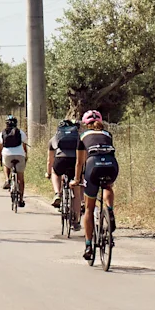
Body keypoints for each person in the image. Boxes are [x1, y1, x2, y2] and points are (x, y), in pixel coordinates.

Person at [74, 110, 118, 261]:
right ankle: (110, 210)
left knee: (89, 208)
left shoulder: (82, 136)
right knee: (107, 186)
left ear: (85, 124)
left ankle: (88, 245)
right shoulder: (108, 134)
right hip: (111, 165)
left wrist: (76, 179)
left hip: (93, 167)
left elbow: (80, 162)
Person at [46, 118, 81, 209]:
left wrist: (48, 173)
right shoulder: (78, 137)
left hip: (60, 160)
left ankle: (57, 193)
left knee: (55, 172)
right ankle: (80, 201)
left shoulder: (54, 138)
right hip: (75, 161)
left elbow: (50, 160)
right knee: (76, 180)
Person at [0, 114, 27, 206]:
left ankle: (7, 179)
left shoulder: (2, 133)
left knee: (6, 164)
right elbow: (24, 146)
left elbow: (0, 147)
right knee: (21, 178)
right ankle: (21, 199)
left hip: (7, 154)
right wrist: (25, 156)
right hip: (20, 155)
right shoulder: (21, 132)